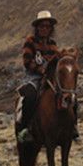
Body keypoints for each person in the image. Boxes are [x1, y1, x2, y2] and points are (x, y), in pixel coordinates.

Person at [16, 10, 61, 144]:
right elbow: (27, 61)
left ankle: (72, 127)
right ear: (37, 28)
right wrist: (39, 69)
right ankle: (25, 128)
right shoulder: (30, 42)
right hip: (33, 77)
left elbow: (56, 61)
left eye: (47, 26)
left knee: (67, 95)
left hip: (49, 77)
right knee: (30, 96)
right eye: (42, 26)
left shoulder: (53, 44)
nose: (45, 29)